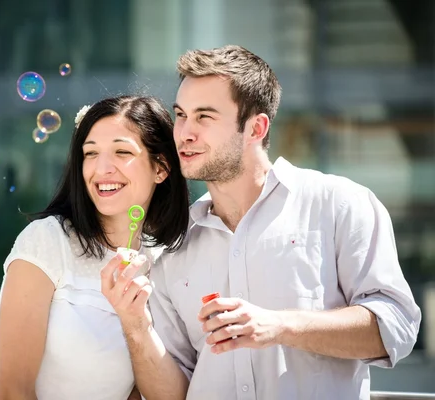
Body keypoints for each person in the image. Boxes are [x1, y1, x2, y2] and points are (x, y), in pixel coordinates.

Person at [101, 45, 422, 400]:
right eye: (181, 115)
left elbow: (396, 327)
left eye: (204, 117)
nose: (184, 133)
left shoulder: (339, 205)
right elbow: (172, 394)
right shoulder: (174, 247)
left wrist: (280, 326)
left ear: (256, 128)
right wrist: (135, 325)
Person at [0, 95, 190, 400]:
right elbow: (14, 392)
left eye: (122, 151)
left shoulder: (164, 259)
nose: (102, 169)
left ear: (162, 167)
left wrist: (136, 323)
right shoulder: (46, 242)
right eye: (90, 153)